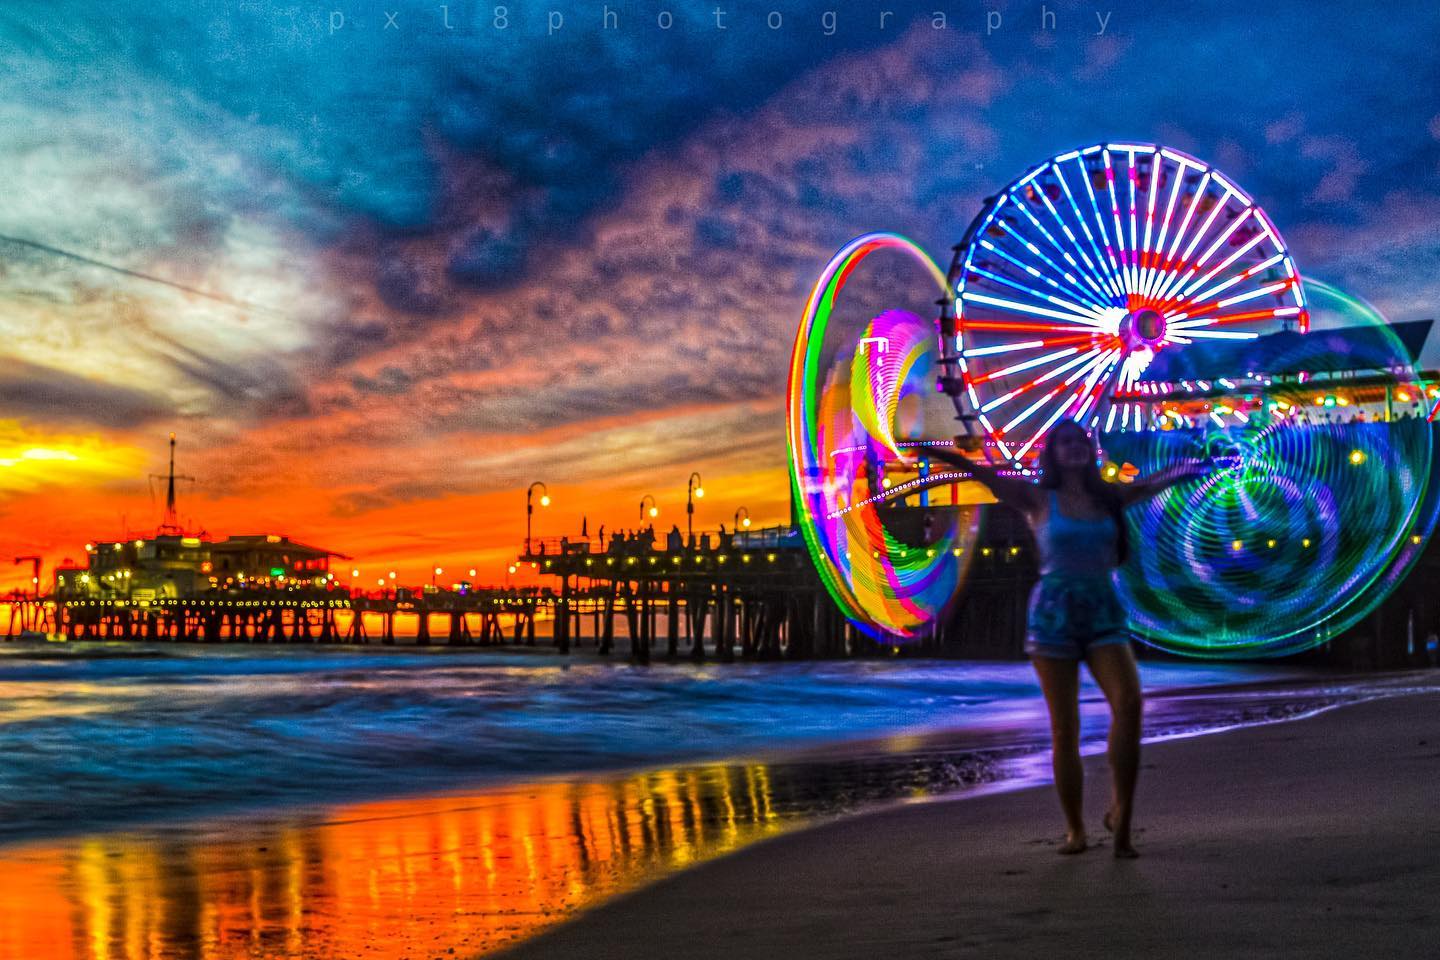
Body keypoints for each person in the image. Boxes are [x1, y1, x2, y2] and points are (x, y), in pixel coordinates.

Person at [931, 420, 1210, 858]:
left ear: (1090, 450)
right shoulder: (1038, 498)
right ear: (1053, 452)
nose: (1075, 447)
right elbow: (985, 477)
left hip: (1102, 608)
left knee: (1130, 704)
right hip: (1054, 614)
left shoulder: (1108, 498)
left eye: (1081, 441)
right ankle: (1076, 830)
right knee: (1066, 728)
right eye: (1065, 442)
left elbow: (1154, 484)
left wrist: (1195, 467)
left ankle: (1122, 817)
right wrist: (945, 456)